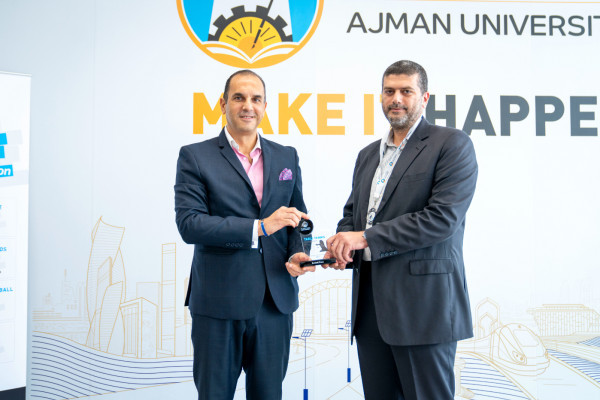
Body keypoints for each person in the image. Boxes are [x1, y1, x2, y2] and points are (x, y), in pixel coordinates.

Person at [324, 60, 478, 399]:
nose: (397, 99)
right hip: (370, 311)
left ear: (424, 98)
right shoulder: (368, 155)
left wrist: (364, 238)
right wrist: (341, 246)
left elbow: (441, 219)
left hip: (424, 310)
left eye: (406, 91)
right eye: (389, 91)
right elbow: (354, 216)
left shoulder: (451, 144)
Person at [174, 69, 314, 400]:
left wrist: (298, 252)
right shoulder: (195, 156)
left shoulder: (287, 155)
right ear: (223, 104)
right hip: (218, 303)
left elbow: (297, 218)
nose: (247, 106)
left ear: (265, 106)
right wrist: (259, 227)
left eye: (255, 99)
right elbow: (190, 224)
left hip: (274, 303)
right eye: (238, 97)